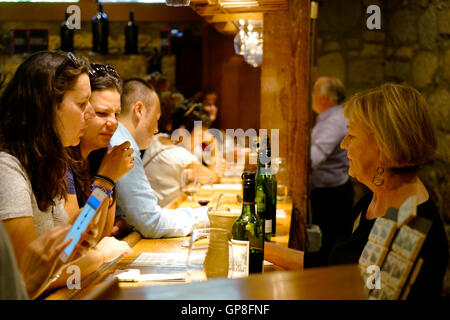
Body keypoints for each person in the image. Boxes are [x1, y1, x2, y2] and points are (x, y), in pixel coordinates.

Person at [266, 83, 449, 300]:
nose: (343, 145)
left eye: (351, 136)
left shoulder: (412, 230)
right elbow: (335, 264)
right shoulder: (373, 200)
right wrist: (259, 247)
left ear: (384, 148)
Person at [0, 51, 130, 295]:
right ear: (48, 107)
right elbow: (25, 281)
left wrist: (106, 182)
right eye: (84, 105)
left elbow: (78, 240)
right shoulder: (7, 169)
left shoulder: (50, 160)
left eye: (115, 113)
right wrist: (104, 182)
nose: (108, 121)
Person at [109, 78, 209, 238]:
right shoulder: (123, 143)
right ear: (139, 110)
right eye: (156, 119)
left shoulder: (121, 139)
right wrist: (208, 216)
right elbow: (151, 223)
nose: (156, 129)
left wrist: (126, 220)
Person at [309, 76, 353, 257]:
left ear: (325, 98)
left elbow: (314, 159)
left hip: (331, 196)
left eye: (314, 93)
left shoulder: (334, 121)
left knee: (328, 249)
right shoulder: (330, 117)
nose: (311, 97)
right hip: (330, 191)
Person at [143, 99, 218, 203]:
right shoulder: (179, 155)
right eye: (199, 135)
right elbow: (212, 177)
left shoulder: (159, 138)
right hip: (165, 210)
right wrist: (213, 144)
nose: (201, 140)